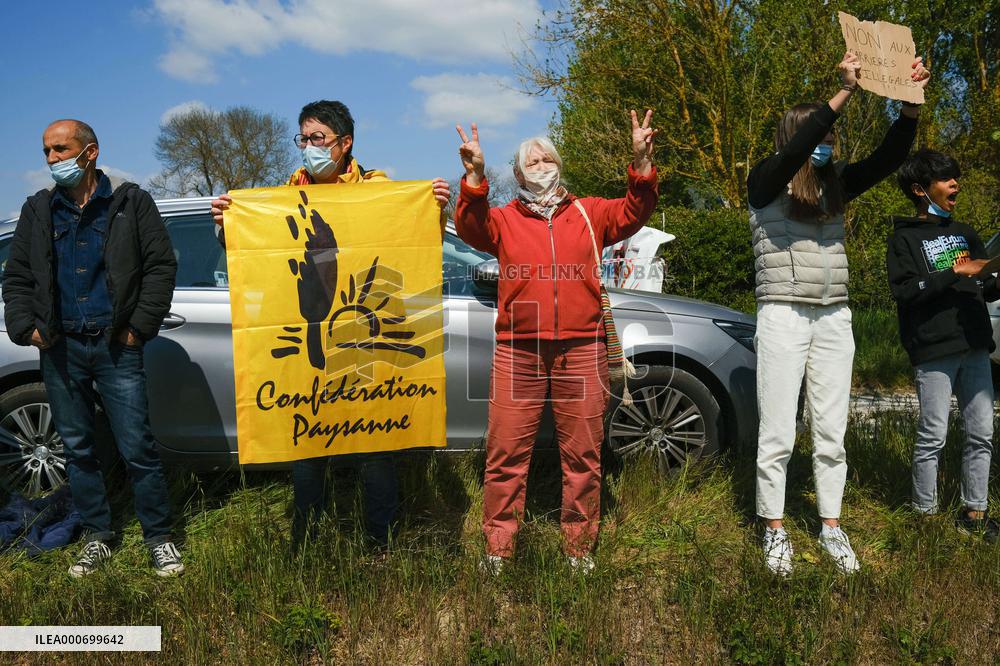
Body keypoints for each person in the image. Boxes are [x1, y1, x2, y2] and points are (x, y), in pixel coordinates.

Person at [212, 100, 450, 550]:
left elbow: (412, 243)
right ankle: (307, 544)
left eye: (317, 138)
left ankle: (380, 544)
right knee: (309, 453)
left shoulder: (378, 188)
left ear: (345, 145)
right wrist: (228, 224)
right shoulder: (284, 194)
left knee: (376, 449)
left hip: (363, 335)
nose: (308, 147)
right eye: (302, 138)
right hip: (311, 338)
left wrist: (434, 208)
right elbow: (255, 257)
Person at [747, 52, 931, 576]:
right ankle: (774, 528)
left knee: (831, 428)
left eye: (831, 139)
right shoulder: (766, 181)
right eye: (818, 137)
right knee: (779, 429)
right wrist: (844, 94)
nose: (828, 145)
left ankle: (830, 524)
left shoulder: (837, 184)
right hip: (782, 314)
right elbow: (796, 153)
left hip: (834, 317)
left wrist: (910, 109)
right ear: (796, 138)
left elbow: (888, 159)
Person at [454, 111, 659, 573]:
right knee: (505, 452)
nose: (541, 163)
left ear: (559, 164)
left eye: (548, 157)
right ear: (518, 171)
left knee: (583, 453)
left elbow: (634, 211)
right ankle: (498, 549)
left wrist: (642, 163)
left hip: (580, 349)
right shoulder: (503, 219)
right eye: (532, 159)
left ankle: (579, 547)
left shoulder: (590, 213)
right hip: (517, 352)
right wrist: (474, 177)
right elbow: (469, 228)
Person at [3, 120, 182, 577]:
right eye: (46, 151)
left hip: (115, 345)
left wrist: (138, 328)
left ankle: (159, 537)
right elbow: (17, 277)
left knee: (137, 446)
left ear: (90, 152)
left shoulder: (130, 202)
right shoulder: (38, 210)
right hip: (61, 349)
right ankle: (100, 535)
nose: (52, 160)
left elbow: (161, 266)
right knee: (79, 450)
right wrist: (28, 329)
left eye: (61, 149)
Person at [887, 149, 998, 543]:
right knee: (934, 434)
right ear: (920, 189)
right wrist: (953, 271)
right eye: (946, 179)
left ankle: (976, 512)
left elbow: (986, 287)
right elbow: (905, 293)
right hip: (933, 348)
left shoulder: (966, 231)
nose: (956, 184)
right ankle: (925, 516)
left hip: (974, 344)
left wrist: (992, 275)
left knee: (982, 431)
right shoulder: (903, 238)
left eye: (956, 177)